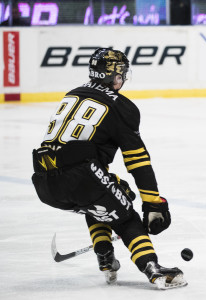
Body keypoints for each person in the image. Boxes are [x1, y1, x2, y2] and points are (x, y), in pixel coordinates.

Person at [31, 48, 187, 289]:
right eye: (122, 73)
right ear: (114, 75)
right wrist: (153, 203)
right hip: (81, 176)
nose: (122, 78)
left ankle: (105, 256)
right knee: (125, 216)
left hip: (43, 180)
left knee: (103, 197)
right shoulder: (123, 107)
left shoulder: (73, 93)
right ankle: (152, 269)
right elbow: (138, 161)